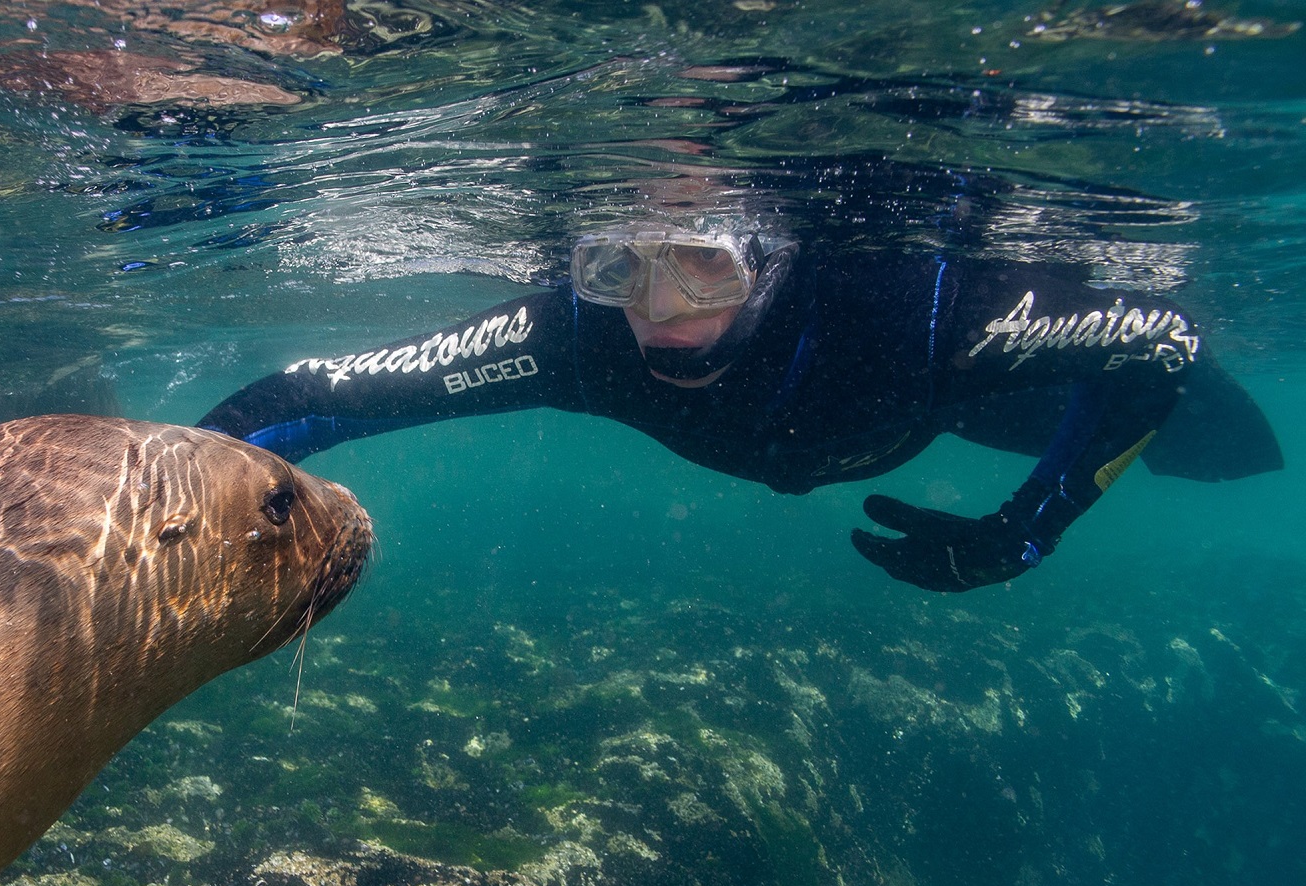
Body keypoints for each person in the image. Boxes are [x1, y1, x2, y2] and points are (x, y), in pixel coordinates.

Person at [198, 216, 1283, 592]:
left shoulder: (918, 310)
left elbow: (1159, 339)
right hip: (901, 417)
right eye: (622, 265)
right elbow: (315, 397)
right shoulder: (580, 331)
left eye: (706, 267)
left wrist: (1026, 529)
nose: (661, 318)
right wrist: (145, 487)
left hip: (950, 399)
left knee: (1187, 420)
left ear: (779, 257)